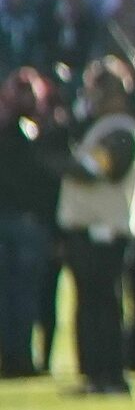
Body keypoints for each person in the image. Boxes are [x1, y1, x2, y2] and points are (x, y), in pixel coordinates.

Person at [56, 57, 135, 398]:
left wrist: (57, 161)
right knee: (92, 305)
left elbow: (95, 170)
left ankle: (110, 375)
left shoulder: (121, 132)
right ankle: (96, 375)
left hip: (105, 232)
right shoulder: (103, 129)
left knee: (103, 306)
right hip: (91, 231)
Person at [0, 68, 60, 379]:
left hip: (19, 220)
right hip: (27, 222)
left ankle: (16, 356)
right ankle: (22, 357)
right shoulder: (41, 136)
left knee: (18, 295)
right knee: (26, 295)